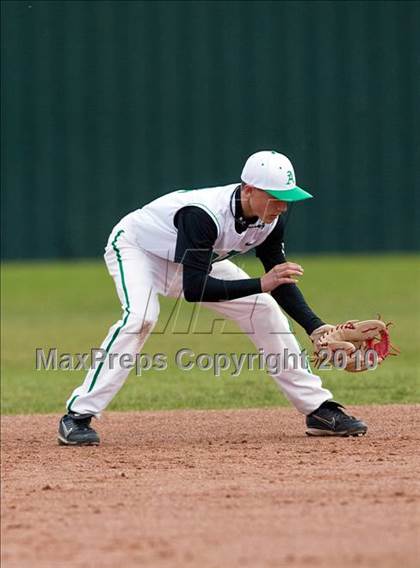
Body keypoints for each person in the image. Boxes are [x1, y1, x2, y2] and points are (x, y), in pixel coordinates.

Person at [58, 150, 367, 445]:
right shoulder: (203, 215)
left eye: (288, 199)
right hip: (139, 249)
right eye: (277, 198)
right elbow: (196, 289)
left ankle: (318, 410)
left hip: (190, 260)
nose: (283, 206)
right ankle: (77, 416)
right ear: (249, 190)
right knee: (141, 318)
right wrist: (261, 283)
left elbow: (280, 280)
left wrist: (315, 327)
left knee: (263, 309)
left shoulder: (270, 219)